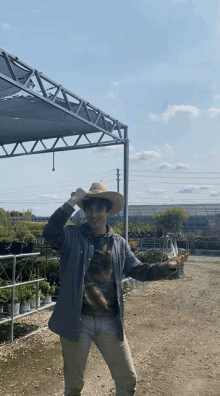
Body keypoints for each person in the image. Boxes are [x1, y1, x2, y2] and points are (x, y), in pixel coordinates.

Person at [42, 182, 189, 396]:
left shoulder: (118, 243)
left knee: (128, 380)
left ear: (108, 211)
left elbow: (139, 270)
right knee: (74, 386)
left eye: (98, 209)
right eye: (88, 209)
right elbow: (50, 233)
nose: (93, 214)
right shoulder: (72, 237)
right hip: (77, 322)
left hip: (110, 321)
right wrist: (72, 201)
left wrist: (166, 267)